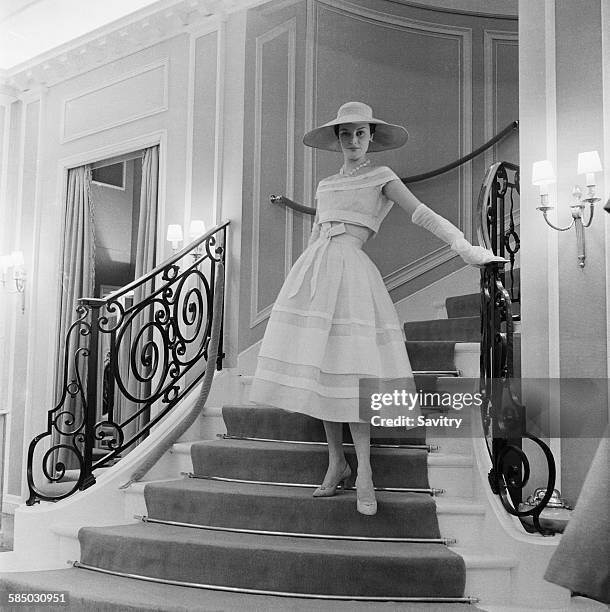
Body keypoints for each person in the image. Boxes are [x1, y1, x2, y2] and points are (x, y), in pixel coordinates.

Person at [250, 101, 504, 515]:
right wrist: (301, 284)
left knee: (353, 373)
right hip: (315, 273)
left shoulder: (382, 177)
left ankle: (364, 470)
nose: (352, 140)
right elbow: (317, 232)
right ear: (337, 140)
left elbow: (421, 214)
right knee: (322, 371)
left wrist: (465, 248)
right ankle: (337, 463)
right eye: (345, 133)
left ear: (371, 137)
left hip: (353, 273)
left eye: (360, 133)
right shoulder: (326, 184)